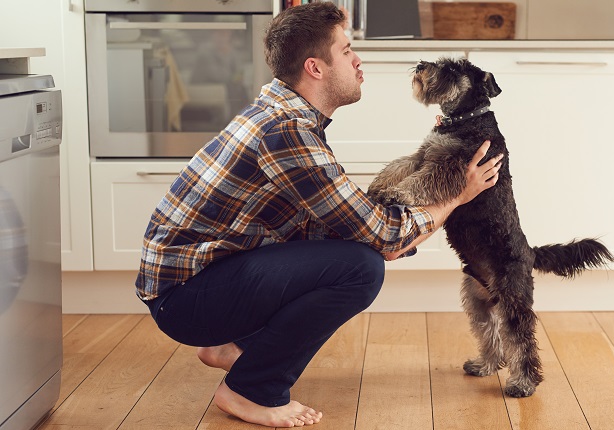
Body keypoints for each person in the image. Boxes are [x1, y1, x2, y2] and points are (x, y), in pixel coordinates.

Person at [135, 2, 503, 428]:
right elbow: (383, 238)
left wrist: (388, 230)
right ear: (315, 67)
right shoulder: (287, 132)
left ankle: (233, 346)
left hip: (198, 282)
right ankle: (250, 389)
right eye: (346, 50)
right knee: (360, 268)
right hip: (185, 300)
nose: (358, 59)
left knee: (349, 247)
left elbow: (345, 221)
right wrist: (457, 194)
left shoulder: (290, 118)